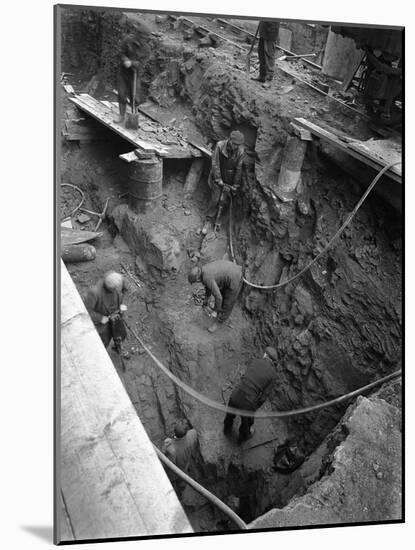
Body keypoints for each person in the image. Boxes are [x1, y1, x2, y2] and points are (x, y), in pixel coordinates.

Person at [223, 347, 277, 444]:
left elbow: (245, 376)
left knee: (230, 415)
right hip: (248, 401)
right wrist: (254, 408)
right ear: (272, 361)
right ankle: (241, 439)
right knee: (246, 422)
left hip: (236, 394)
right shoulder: (273, 375)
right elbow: (264, 397)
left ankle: (226, 430)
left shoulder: (255, 361)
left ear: (265, 355)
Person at [203, 131, 245, 234]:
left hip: (229, 178)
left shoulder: (240, 151)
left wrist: (236, 184)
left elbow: (239, 168)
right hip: (218, 175)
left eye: (238, 145)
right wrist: (218, 179)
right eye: (234, 144)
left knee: (225, 202)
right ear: (230, 140)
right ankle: (208, 219)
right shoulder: (220, 145)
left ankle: (219, 220)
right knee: (215, 199)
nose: (236, 147)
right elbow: (215, 163)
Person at [188, 260, 243, 333]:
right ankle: (220, 310)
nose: (197, 283)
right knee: (223, 293)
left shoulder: (207, 277)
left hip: (235, 277)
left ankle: (220, 321)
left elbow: (218, 297)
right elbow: (208, 287)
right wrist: (205, 301)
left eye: (195, 282)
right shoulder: (203, 270)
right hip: (229, 272)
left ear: (198, 279)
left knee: (228, 302)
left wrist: (215, 311)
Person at [115, 22, 152, 124]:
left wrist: (132, 63)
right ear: (138, 35)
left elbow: (142, 64)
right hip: (123, 73)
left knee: (135, 98)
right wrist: (125, 59)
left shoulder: (146, 49)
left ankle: (132, 118)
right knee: (122, 94)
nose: (143, 40)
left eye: (145, 38)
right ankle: (121, 116)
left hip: (135, 75)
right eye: (141, 37)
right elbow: (120, 52)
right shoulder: (128, 40)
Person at [84, 270, 129, 350]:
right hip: (104, 318)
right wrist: (101, 318)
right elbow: (87, 311)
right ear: (110, 288)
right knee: (104, 338)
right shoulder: (94, 293)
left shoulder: (115, 276)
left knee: (120, 332)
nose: (118, 290)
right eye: (115, 289)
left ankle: (117, 346)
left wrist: (121, 306)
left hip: (116, 314)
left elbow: (123, 289)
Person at [162, 421, 198, 496]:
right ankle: (181, 491)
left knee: (174, 480)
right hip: (186, 462)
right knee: (182, 480)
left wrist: (164, 447)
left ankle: (176, 491)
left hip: (177, 470)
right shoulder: (193, 434)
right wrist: (172, 441)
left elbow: (168, 465)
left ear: (174, 433)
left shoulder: (171, 450)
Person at [252, 21, 280, 87]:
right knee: (261, 52)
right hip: (263, 28)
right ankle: (262, 76)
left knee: (269, 54)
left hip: (271, 30)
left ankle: (269, 79)